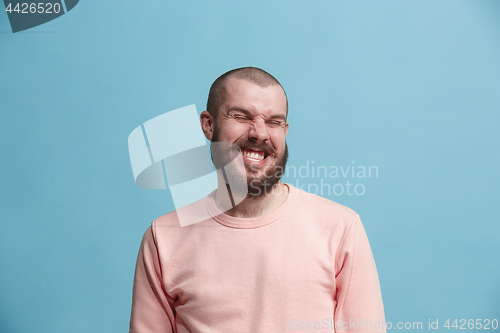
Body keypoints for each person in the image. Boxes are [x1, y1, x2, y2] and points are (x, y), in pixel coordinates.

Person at [129, 67, 386, 333]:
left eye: (274, 122)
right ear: (209, 124)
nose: (259, 133)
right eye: (241, 116)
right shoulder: (164, 237)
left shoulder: (341, 228)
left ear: (285, 131)